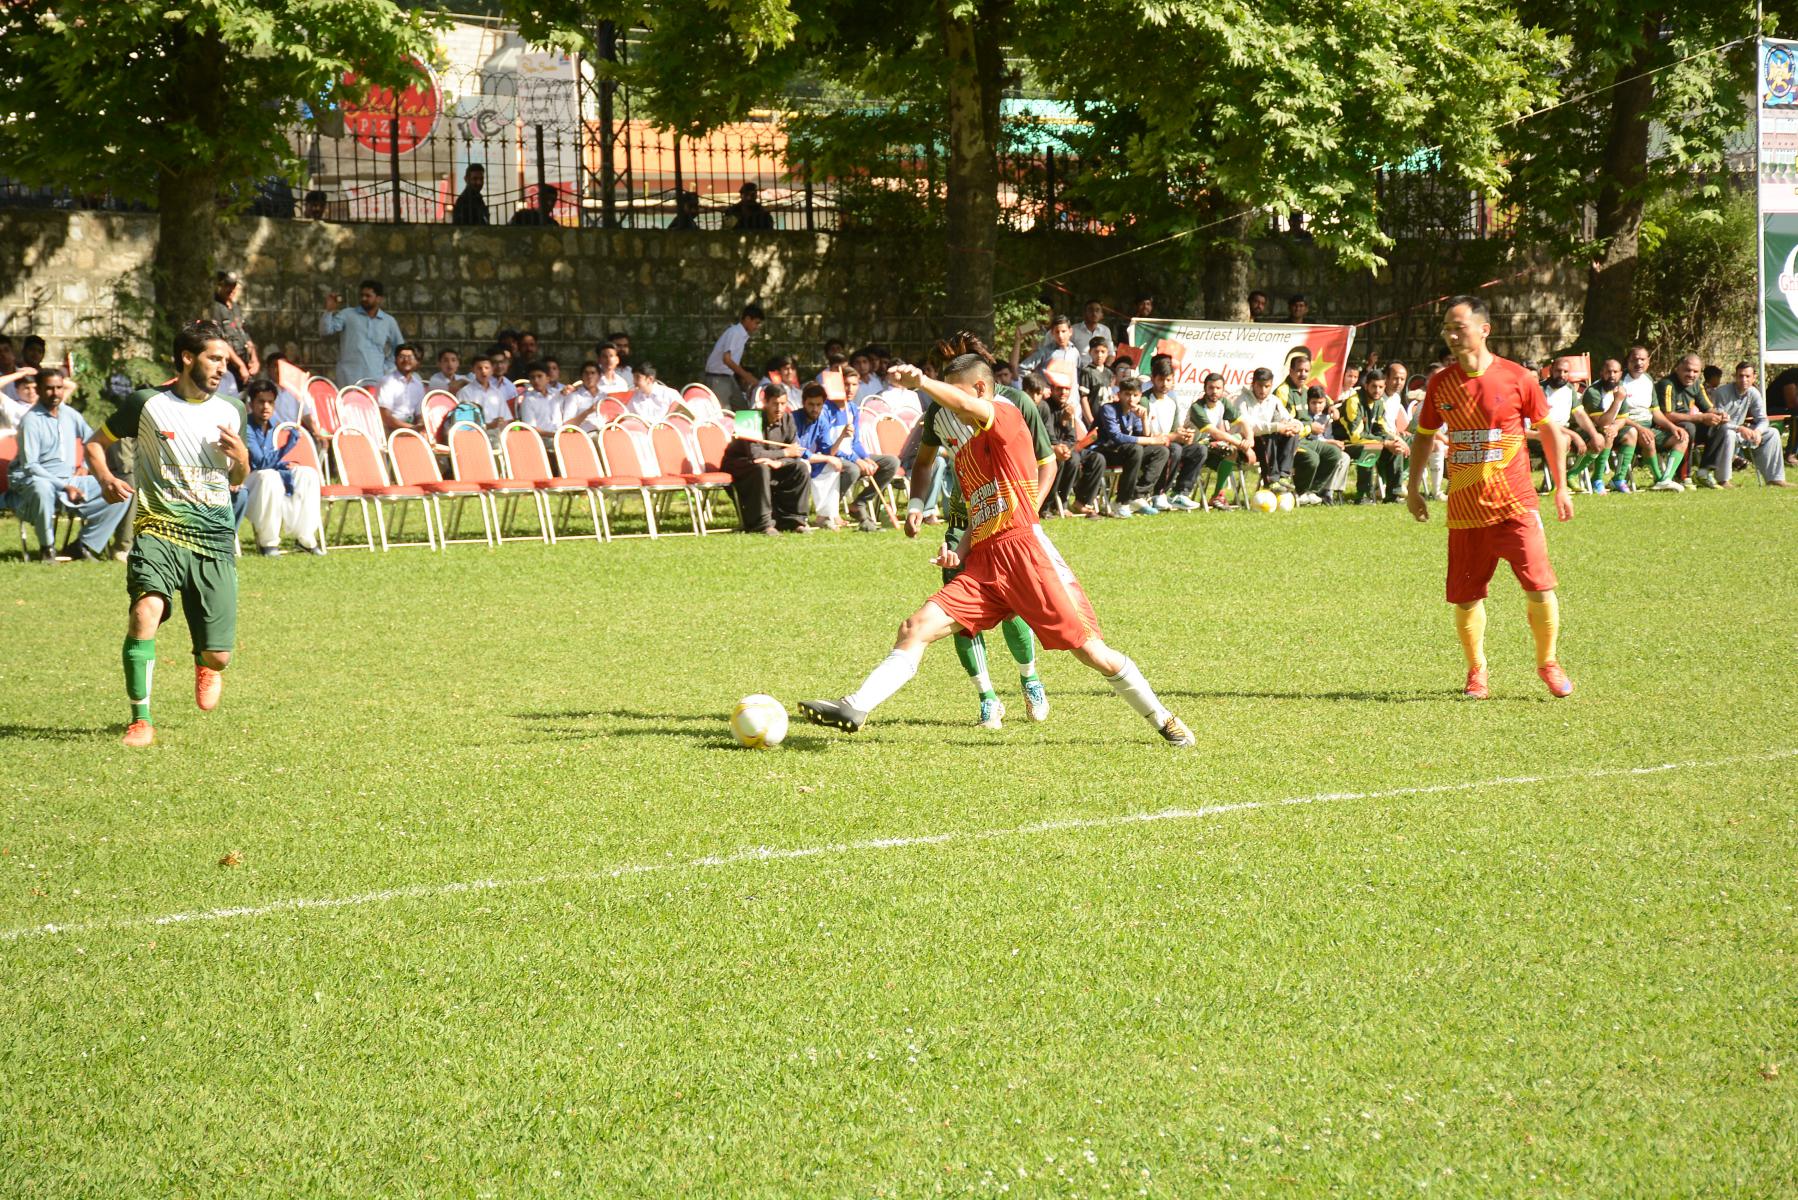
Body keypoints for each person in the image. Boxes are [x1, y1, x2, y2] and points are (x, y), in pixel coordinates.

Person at [801, 352, 1194, 747]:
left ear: (979, 390)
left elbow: (972, 411)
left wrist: (922, 383)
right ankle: (856, 707)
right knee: (914, 628)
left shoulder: (1006, 415)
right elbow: (981, 511)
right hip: (984, 563)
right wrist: (961, 550)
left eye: (957, 395)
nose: (952, 407)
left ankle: (1164, 719)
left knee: (1092, 652)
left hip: (1027, 555)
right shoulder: (968, 454)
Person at [84, 321, 250, 748]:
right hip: (158, 529)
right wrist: (105, 477)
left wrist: (243, 458)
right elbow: (95, 443)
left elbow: (238, 479)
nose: (223, 368)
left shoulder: (233, 409)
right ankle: (140, 720)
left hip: (214, 536)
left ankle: (205, 660)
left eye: (226, 361)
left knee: (220, 655)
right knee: (145, 613)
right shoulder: (147, 404)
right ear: (187, 358)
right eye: (215, 359)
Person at [1407, 295, 1573, 701]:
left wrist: (1561, 485)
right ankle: (1477, 671)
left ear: (1484, 330)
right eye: (1447, 328)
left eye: (1459, 327)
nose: (1451, 335)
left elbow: (1549, 431)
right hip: (1465, 510)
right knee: (1466, 598)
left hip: (1516, 505)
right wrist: (1412, 489)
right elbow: (1424, 437)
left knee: (1540, 586)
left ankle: (1548, 662)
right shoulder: (1440, 384)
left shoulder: (1517, 377)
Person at [906, 336, 1058, 729]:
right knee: (958, 611)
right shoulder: (939, 412)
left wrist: (1026, 510)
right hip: (963, 521)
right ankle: (987, 697)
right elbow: (923, 463)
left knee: (1012, 606)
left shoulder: (1015, 402)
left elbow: (1048, 463)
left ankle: (1030, 679)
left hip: (1009, 522)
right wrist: (916, 504)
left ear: (979, 379)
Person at [8, 369, 128, 562]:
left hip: (69, 479)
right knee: (41, 488)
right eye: (49, 388)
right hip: (35, 480)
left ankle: (84, 545)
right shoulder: (31, 421)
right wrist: (65, 486)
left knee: (121, 491)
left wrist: (85, 466)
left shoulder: (70, 414)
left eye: (59, 387)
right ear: (38, 390)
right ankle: (47, 549)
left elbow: (93, 442)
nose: (55, 393)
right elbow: (31, 466)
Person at [237, 377, 323, 556]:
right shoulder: (246, 427)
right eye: (261, 402)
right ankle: (268, 542)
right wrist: (286, 447)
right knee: (269, 476)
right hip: (247, 481)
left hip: (269, 477)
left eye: (270, 402)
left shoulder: (275, 424)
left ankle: (305, 538)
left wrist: (284, 464)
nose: (266, 407)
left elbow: (272, 460)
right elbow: (261, 463)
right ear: (251, 404)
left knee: (307, 474)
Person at [721, 382, 811, 534]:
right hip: (741, 466)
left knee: (801, 468)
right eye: (775, 404)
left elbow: (796, 452)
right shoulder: (748, 418)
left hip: (772, 464)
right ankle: (763, 524)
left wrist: (780, 463)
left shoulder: (788, 418)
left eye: (783, 404)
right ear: (765, 402)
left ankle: (795, 521)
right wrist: (784, 454)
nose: (779, 408)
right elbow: (755, 454)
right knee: (761, 468)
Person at [1087, 376, 1172, 517]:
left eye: (1135, 395)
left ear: (1140, 396)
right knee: (1136, 449)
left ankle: (1137, 495)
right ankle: (1121, 502)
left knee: (1161, 451)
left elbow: (1142, 436)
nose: (1131, 399)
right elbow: (1117, 437)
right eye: (1127, 394)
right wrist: (1152, 440)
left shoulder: (1135, 412)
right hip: (1103, 452)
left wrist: (1144, 419)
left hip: (1126, 453)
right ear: (1119, 394)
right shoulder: (1108, 409)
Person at [1704, 361, 1787, 487]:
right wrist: (1740, 428)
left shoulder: (1753, 393)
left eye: (1747, 376)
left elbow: (1763, 419)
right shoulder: (1721, 392)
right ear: (1735, 376)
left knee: (1772, 433)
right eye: (1740, 376)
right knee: (1729, 433)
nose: (1744, 380)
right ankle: (1723, 480)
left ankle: (1775, 479)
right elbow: (1717, 421)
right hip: (1719, 432)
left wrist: (1757, 432)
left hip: (1739, 432)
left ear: (1754, 377)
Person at [1274, 350, 1341, 506]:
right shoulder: (1283, 391)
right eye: (1299, 370)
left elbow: (1325, 398)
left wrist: (1331, 406)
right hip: (1289, 442)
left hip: (1308, 440)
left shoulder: (1305, 389)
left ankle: (1312, 491)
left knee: (1334, 453)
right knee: (1312, 458)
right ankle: (1300, 492)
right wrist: (1310, 427)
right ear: (1291, 371)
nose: (1303, 374)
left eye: (1306, 371)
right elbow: (1285, 423)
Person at [1140, 355, 1204, 509]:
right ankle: (1158, 494)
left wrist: (1185, 435)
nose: (1165, 384)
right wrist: (1174, 436)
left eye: (1168, 380)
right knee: (1174, 449)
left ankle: (1180, 493)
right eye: (1161, 380)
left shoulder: (1172, 401)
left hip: (1169, 443)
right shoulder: (1145, 400)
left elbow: (1175, 429)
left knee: (1199, 450)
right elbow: (1144, 435)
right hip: (1150, 447)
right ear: (1153, 379)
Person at [1184, 372, 1255, 509]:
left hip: (1212, 446)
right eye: (1211, 388)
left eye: (1218, 388)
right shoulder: (1197, 407)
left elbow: (1243, 422)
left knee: (1234, 444)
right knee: (1231, 446)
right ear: (1205, 389)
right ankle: (1218, 495)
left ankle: (1217, 496)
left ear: (1223, 389)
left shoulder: (1223, 402)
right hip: (1195, 449)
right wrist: (1244, 447)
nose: (1214, 391)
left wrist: (1250, 441)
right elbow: (1216, 433)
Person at [319, 279, 404, 385]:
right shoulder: (347, 315)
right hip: (348, 377)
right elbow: (326, 331)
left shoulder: (388, 321)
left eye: (368, 296)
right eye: (362, 295)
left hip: (376, 378)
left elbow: (400, 348)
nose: (363, 298)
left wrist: (388, 367)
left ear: (379, 299)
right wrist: (329, 311)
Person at [1654, 353, 1717, 486]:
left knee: (1718, 426)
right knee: (1688, 427)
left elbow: (1708, 408)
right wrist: (1700, 418)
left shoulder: (1697, 384)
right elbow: (1667, 415)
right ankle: (1683, 476)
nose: (1691, 375)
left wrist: (1719, 415)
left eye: (1695, 371)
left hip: (1689, 424)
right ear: (1677, 368)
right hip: (1666, 428)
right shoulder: (1667, 384)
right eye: (1687, 370)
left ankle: (1704, 472)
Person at [1240, 367, 1300, 492]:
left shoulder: (1274, 400)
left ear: (1271, 385)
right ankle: (1271, 480)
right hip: (1246, 444)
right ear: (1253, 384)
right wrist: (1277, 427)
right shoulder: (1241, 400)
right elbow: (1248, 426)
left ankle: (1283, 476)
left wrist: (1295, 426)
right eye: (1259, 386)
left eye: (1267, 386)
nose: (1263, 390)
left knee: (1292, 435)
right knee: (1267, 436)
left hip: (1270, 444)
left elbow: (1288, 418)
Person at [704, 303, 764, 410]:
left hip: (728, 377)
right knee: (723, 413)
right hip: (718, 378)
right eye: (756, 323)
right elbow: (727, 359)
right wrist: (747, 376)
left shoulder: (741, 335)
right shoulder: (735, 332)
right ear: (747, 319)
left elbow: (732, 360)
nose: (757, 327)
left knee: (743, 409)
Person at [207, 271, 257, 394]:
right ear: (220, 286)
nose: (231, 289)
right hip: (229, 367)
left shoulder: (236, 307)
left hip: (245, 366)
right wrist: (240, 365)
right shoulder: (215, 308)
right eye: (227, 286)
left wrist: (254, 359)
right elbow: (220, 341)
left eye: (233, 286)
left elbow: (246, 333)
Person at [374, 343, 426, 433]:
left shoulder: (418, 385)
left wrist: (420, 426)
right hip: (389, 431)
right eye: (402, 357)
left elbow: (419, 414)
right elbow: (385, 416)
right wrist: (411, 428)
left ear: (417, 362)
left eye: (410, 357)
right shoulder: (387, 382)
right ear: (395, 360)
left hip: (411, 430)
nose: (406, 360)